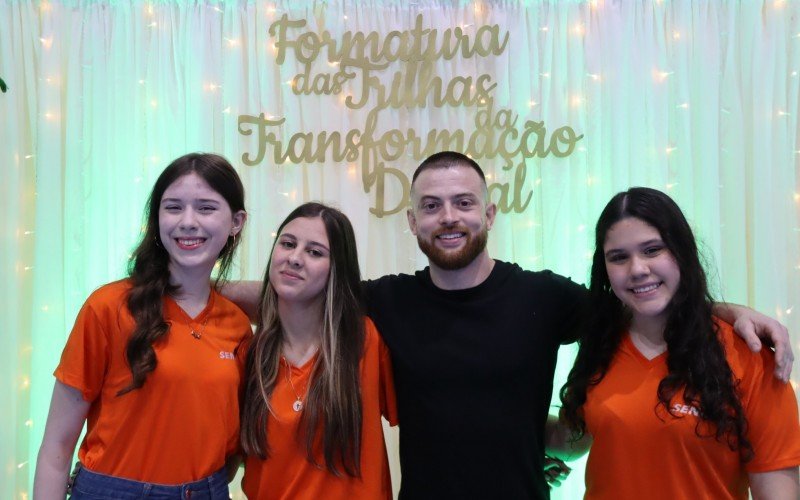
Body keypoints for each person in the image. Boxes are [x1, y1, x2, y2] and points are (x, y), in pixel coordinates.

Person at [224, 152, 793, 499]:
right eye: (432, 206)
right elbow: (293, 289)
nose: (449, 217)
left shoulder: (543, 296)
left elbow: (643, 296)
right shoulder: (385, 302)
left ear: (488, 214)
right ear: (413, 222)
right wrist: (197, 290)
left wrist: (728, 310)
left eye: (464, 203)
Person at [555, 187, 800, 499]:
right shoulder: (600, 344)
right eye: (618, 257)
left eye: (652, 250)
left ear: (682, 252)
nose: (638, 269)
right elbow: (572, 439)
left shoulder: (751, 355)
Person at [33, 153, 250, 499]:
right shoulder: (107, 308)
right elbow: (56, 449)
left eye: (206, 208)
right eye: (174, 207)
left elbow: (229, 446)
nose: (188, 222)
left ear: (236, 221)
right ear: (157, 218)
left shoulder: (237, 326)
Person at [239, 202, 397, 499]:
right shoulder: (251, 352)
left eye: (315, 252)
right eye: (287, 244)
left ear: (338, 268)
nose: (295, 258)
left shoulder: (365, 341)